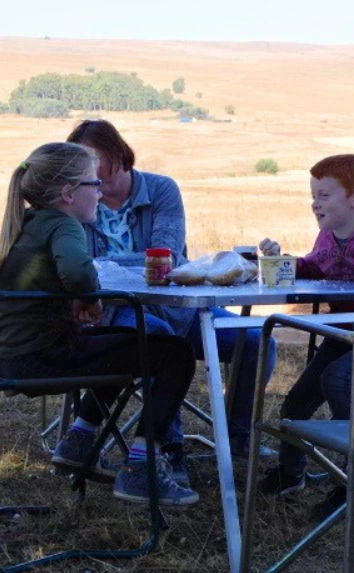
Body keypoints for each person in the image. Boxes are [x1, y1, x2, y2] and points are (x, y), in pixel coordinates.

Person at [65, 119, 278, 486]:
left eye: (100, 162)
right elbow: (88, 269)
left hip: (182, 307)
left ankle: (238, 434)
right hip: (117, 314)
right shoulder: (81, 200)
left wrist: (115, 267)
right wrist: (136, 265)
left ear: (120, 155)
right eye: (86, 167)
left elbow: (168, 261)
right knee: (162, 342)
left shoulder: (162, 190)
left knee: (259, 341)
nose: (97, 174)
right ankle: (167, 447)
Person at [0, 141, 199, 506]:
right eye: (93, 185)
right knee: (175, 353)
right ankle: (142, 466)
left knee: (124, 342)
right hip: (43, 359)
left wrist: (78, 300)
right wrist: (89, 297)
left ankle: (79, 438)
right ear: (69, 193)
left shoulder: (26, 224)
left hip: (6, 357)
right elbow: (76, 270)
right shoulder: (64, 226)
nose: (100, 193)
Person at [256, 154, 354, 511]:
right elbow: (313, 266)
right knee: (297, 400)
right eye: (313, 195)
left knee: (336, 381)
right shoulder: (326, 238)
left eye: (324, 195)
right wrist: (282, 261)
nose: (315, 203)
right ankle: (290, 473)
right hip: (342, 337)